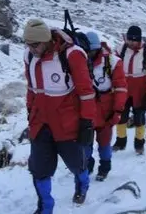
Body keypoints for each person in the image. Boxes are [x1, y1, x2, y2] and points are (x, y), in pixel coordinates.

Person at [23, 19, 97, 213]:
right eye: (27, 44)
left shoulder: (72, 55)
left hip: (68, 124)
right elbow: (31, 88)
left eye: (34, 44)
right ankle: (45, 206)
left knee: (77, 164)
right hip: (41, 123)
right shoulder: (30, 56)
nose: (31, 49)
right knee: (39, 169)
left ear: (46, 40)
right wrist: (30, 112)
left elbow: (86, 92)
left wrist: (87, 122)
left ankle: (82, 185)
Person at [84, 31, 127, 181]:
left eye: (91, 51)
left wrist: (117, 110)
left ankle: (105, 167)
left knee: (104, 142)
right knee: (85, 142)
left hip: (106, 110)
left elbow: (121, 88)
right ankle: (87, 165)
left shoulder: (113, 62)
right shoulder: (77, 61)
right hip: (86, 110)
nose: (89, 54)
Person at [112, 26, 146, 154]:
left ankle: (139, 144)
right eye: (129, 40)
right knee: (121, 115)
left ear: (139, 40)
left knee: (139, 117)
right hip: (123, 87)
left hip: (140, 89)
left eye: (134, 40)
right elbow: (113, 67)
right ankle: (120, 141)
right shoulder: (120, 49)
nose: (131, 43)